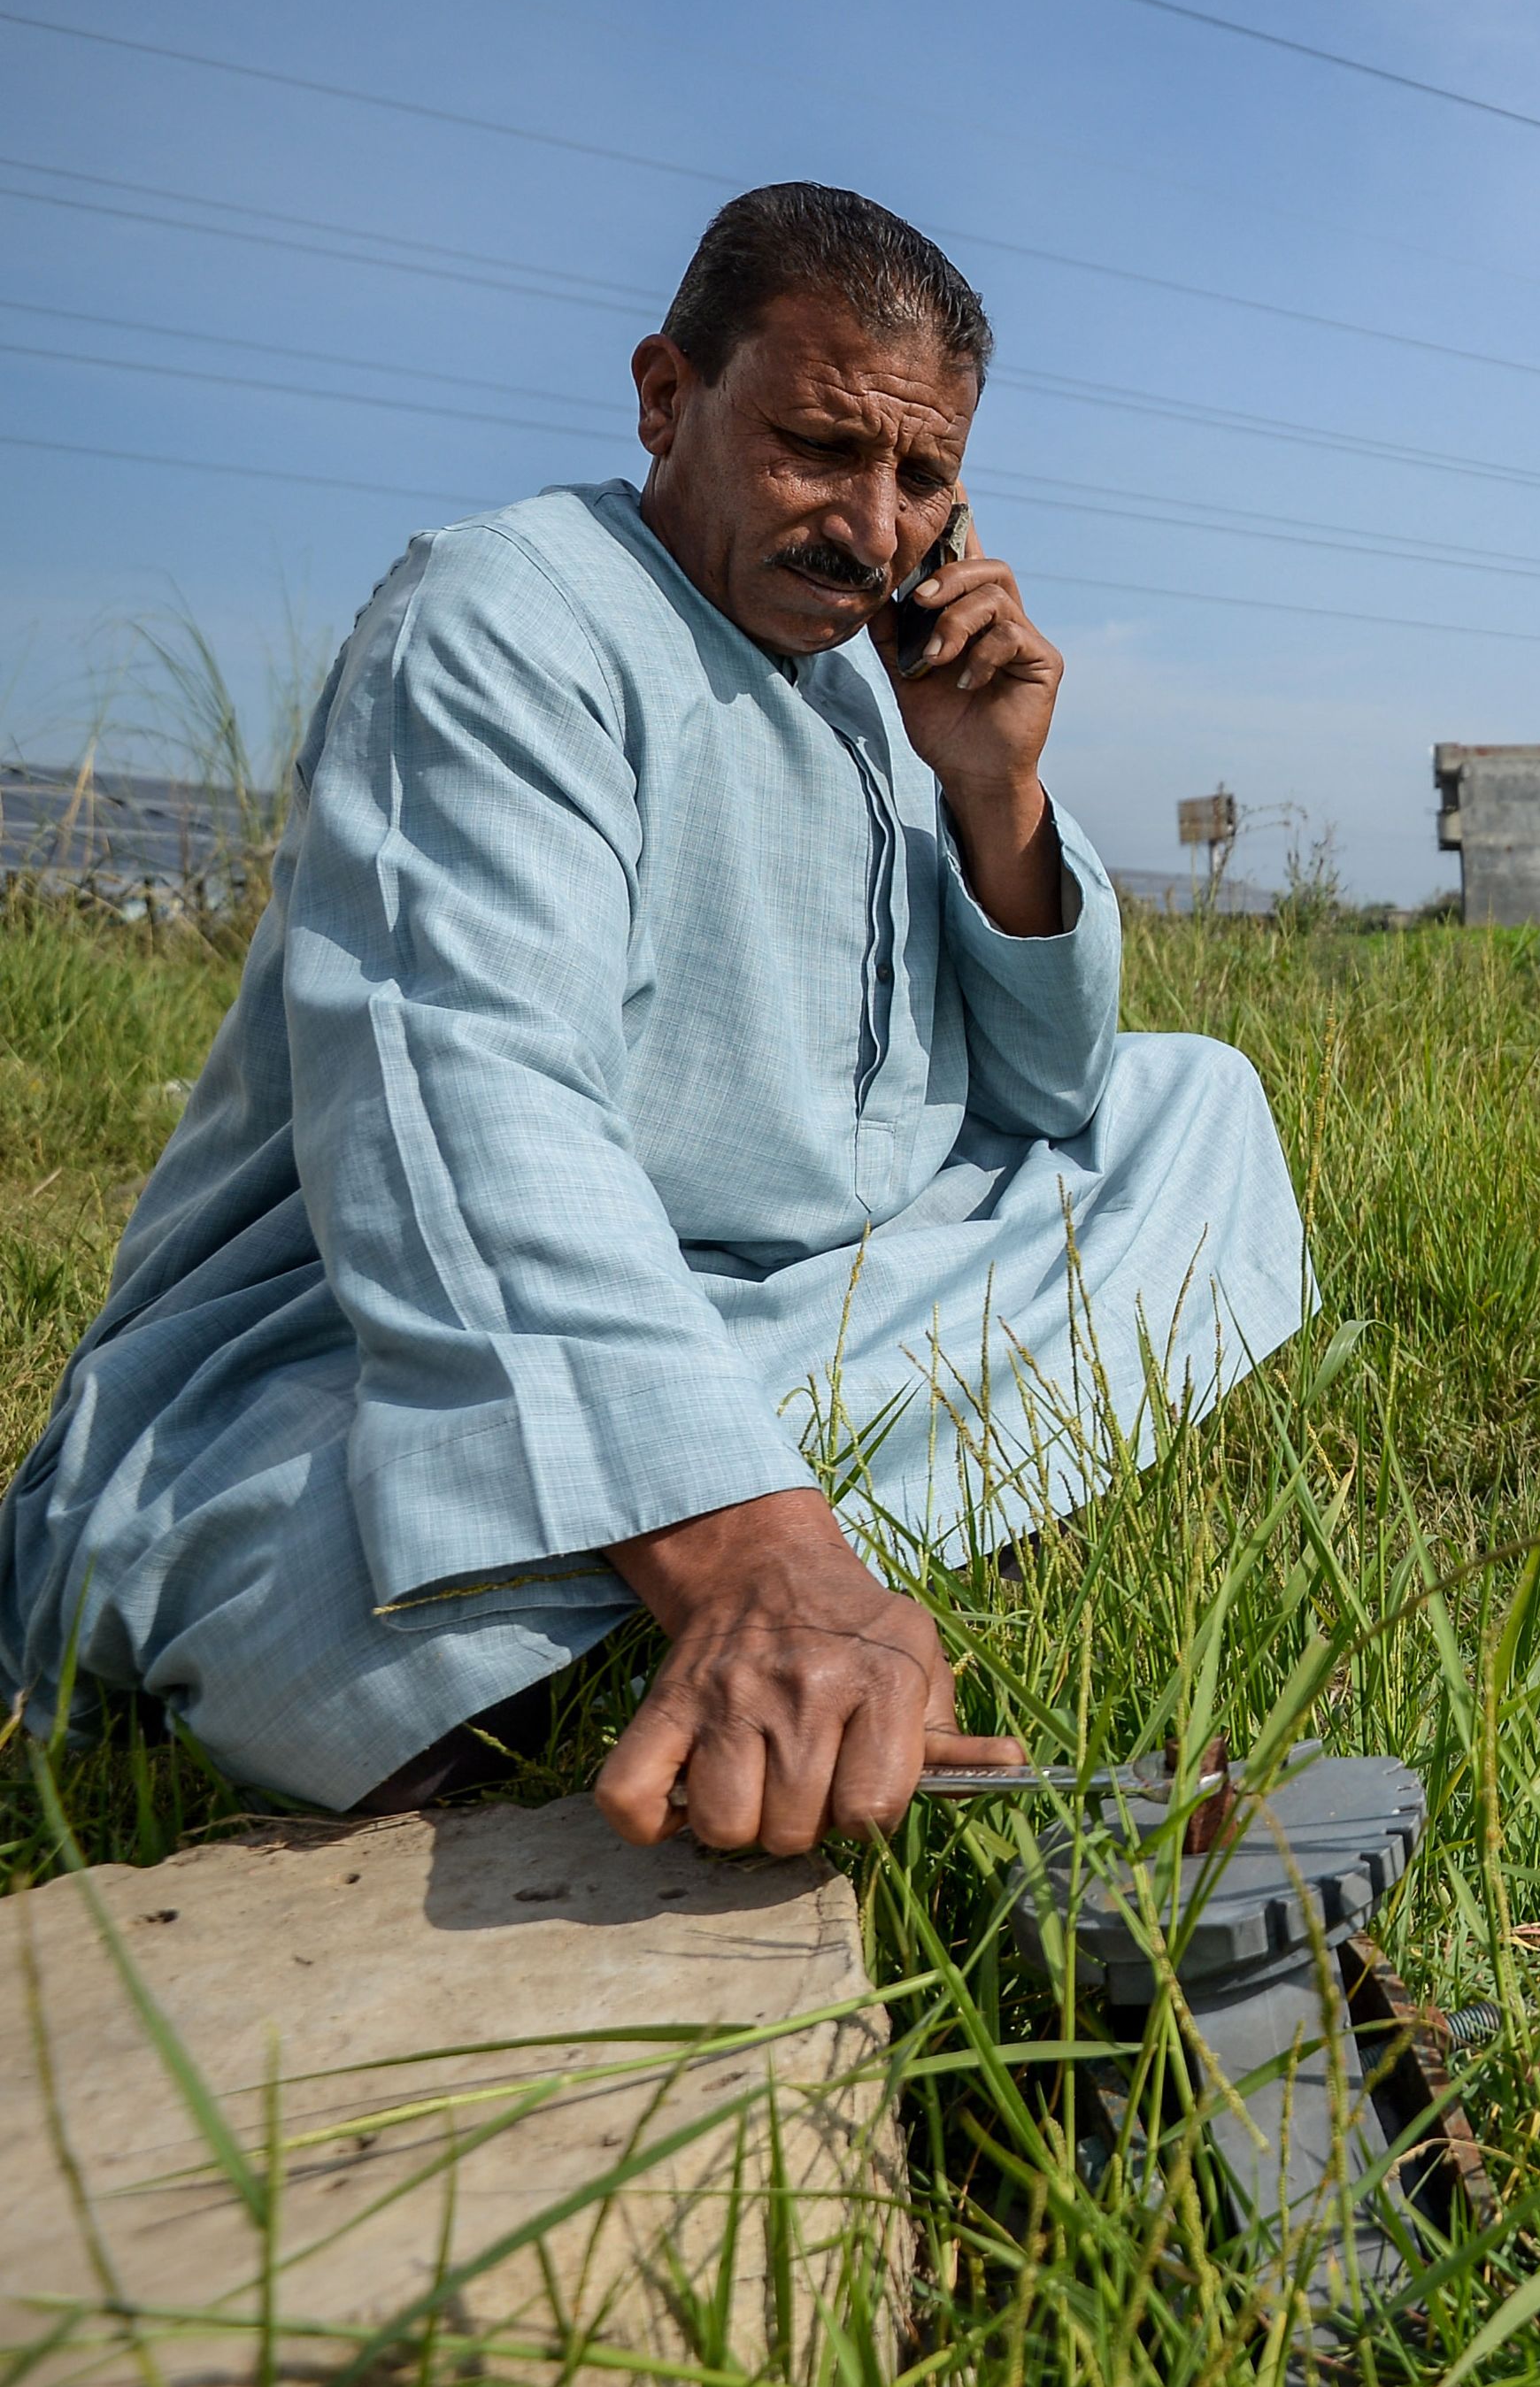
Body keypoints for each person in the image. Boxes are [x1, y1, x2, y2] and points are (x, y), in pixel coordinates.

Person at [3, 184, 1312, 1852]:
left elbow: (1050, 1087)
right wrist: (749, 1550)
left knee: (1195, 1106)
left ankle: (693, 1527)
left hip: (798, 1288)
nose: (875, 528)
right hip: (398, 1323)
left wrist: (993, 785)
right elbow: (474, 1109)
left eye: (923, 479)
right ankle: (725, 1539)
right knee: (296, 1560)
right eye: (820, 449)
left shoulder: (872, 684)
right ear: (663, 395)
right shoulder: (508, 615)